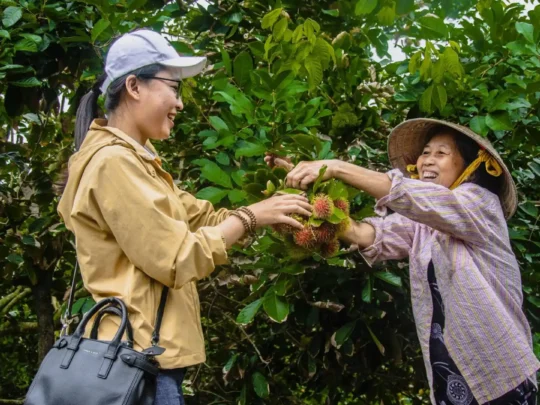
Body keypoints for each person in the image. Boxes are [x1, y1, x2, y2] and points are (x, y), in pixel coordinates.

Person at [57, 29, 312, 405]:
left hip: (145, 359)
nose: (179, 103)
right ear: (134, 86)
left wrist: (277, 200)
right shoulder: (114, 163)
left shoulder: (138, 163)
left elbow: (205, 218)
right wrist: (251, 216)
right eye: (173, 89)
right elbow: (175, 259)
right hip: (138, 363)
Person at [268, 118, 540, 404]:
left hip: (498, 372)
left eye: (441, 153)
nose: (428, 161)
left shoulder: (479, 203)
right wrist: (305, 198)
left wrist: (333, 167)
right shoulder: (424, 226)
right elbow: (366, 234)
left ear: (470, 166)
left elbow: (406, 195)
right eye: (425, 152)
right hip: (448, 371)